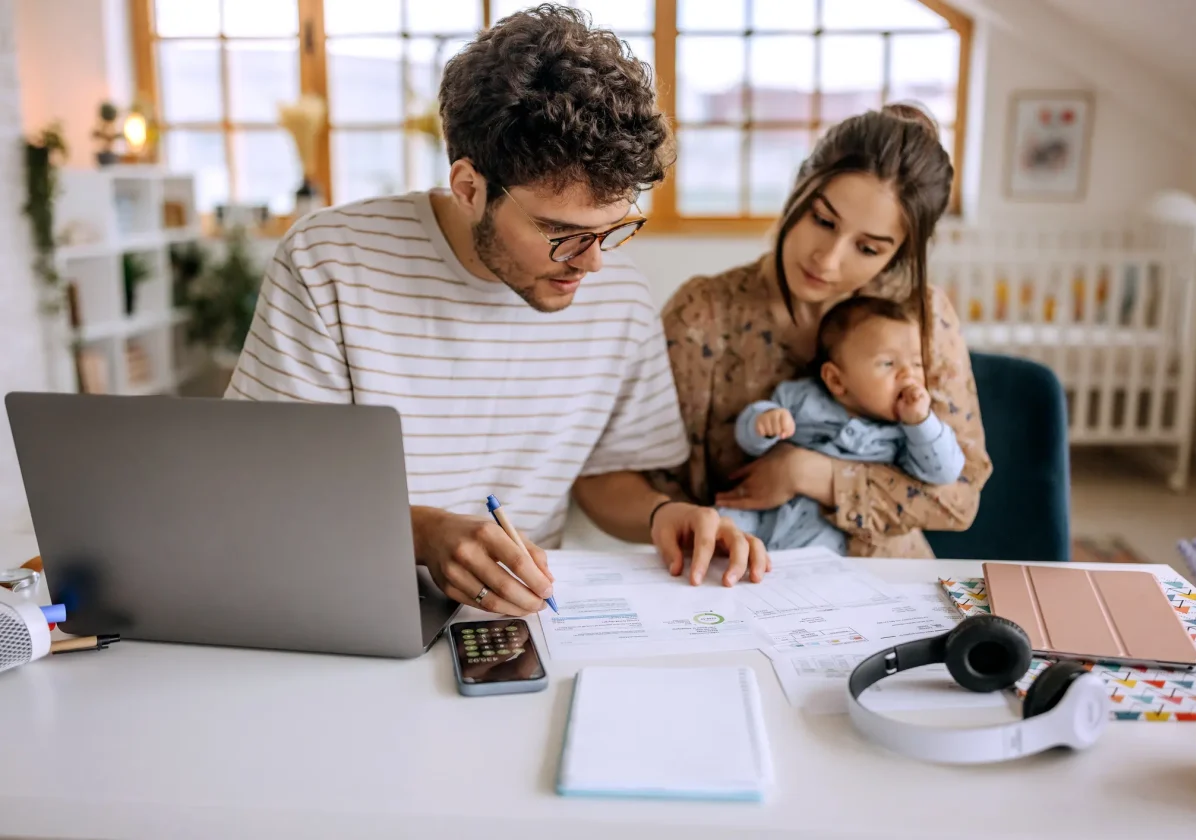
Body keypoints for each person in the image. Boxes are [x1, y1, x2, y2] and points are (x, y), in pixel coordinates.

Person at [223, 4, 766, 617]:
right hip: (349, 600)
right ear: (468, 187)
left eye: (614, 229)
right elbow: (268, 487)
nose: (592, 265)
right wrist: (424, 534)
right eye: (562, 233)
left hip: (524, 617)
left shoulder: (619, 296)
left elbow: (604, 476)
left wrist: (666, 515)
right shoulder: (332, 261)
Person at [653, 103, 993, 559]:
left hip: (887, 587)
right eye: (823, 221)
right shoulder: (702, 314)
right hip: (736, 576)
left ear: (898, 254)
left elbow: (959, 497)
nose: (828, 259)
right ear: (798, 187)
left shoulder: (922, 316)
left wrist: (808, 473)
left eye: (868, 248)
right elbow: (650, 484)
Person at [717, 295, 966, 554]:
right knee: (721, 523)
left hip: (824, 527)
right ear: (836, 380)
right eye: (888, 363)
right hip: (764, 511)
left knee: (818, 560)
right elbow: (748, 442)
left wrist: (921, 422)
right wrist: (763, 422)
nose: (909, 374)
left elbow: (944, 472)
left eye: (917, 363)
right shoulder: (802, 397)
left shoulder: (905, 434)